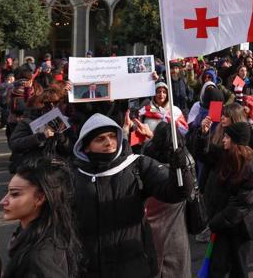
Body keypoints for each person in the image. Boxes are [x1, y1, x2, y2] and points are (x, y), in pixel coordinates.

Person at [72, 113, 192, 277]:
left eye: (113, 136)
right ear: (85, 146)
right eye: (100, 139)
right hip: (89, 268)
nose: (109, 143)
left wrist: (179, 169)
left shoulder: (137, 165)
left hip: (133, 266)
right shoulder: (73, 175)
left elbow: (177, 192)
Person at [194, 119, 253, 277]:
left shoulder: (251, 169)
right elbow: (203, 153)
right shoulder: (223, 155)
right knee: (217, 266)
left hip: (239, 228)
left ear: (236, 142)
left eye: (227, 137)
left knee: (238, 268)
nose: (223, 139)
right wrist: (203, 134)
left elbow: (240, 206)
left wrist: (214, 223)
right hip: (223, 224)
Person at [0, 157, 82, 277]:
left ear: (39, 198)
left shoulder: (39, 256)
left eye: (15, 194)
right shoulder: (45, 233)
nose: (3, 201)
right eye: (8, 192)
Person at [142, 122, 193, 278]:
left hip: (152, 235)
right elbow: (188, 192)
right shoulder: (186, 162)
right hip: (176, 235)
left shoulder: (145, 165)